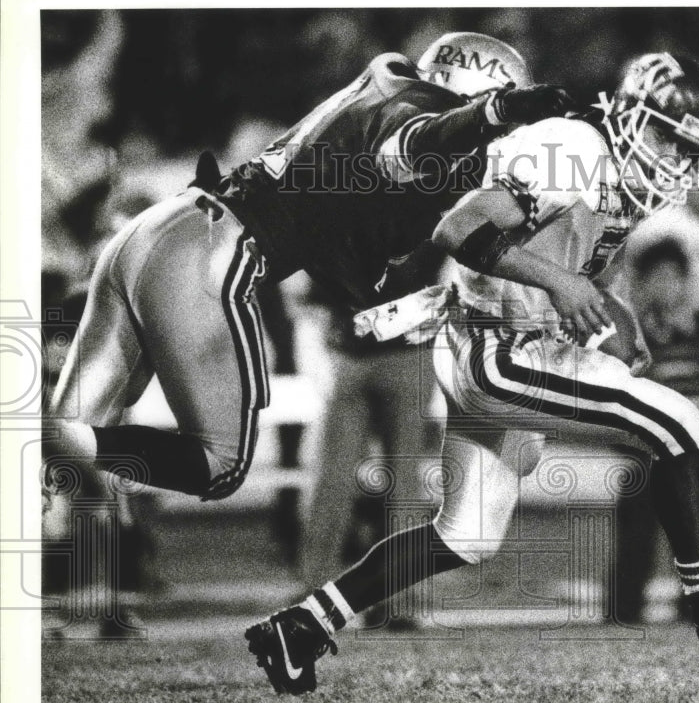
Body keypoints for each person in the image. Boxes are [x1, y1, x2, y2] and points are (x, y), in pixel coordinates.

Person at [247, 52, 699, 695]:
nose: (670, 160)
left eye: (684, 150)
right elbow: (460, 229)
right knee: (678, 420)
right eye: (660, 135)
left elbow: (581, 248)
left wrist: (609, 305)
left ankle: (301, 624)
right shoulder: (572, 144)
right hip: (498, 347)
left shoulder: (613, 167)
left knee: (466, 533)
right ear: (628, 113)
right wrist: (561, 284)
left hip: (510, 340)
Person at [45, 33, 574, 503]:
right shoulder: (419, 107)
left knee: (68, 438)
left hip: (153, 232)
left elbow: (357, 262)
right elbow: (415, 144)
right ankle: (44, 442)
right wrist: (498, 112)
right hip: (212, 251)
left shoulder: (377, 99)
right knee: (219, 464)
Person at [610, 238, 699, 624]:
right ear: (642, 283)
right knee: (637, 530)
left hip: (697, 447)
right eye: (657, 278)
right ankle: (623, 611)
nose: (666, 286)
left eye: (674, 278)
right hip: (647, 448)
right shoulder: (629, 333)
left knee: (695, 532)